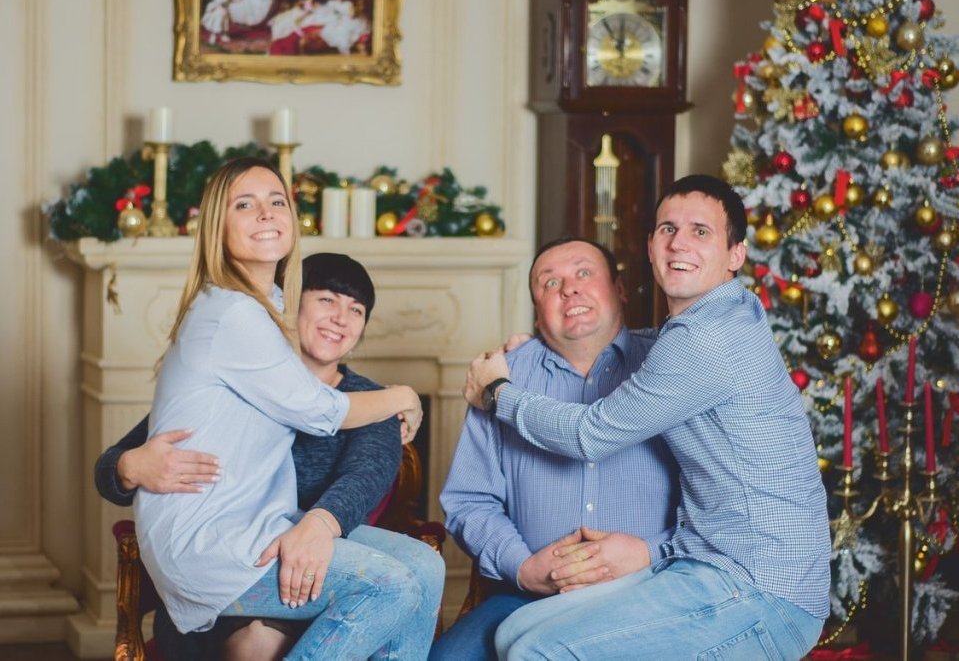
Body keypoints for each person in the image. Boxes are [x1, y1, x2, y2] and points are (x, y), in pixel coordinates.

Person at [464, 174, 831, 660]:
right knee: (512, 632)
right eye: (667, 229)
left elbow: (591, 433)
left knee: (538, 651)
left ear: (735, 254)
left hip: (761, 586)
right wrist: (542, 348)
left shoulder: (704, 338)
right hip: (703, 563)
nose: (679, 243)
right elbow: (666, 359)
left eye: (701, 231)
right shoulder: (723, 315)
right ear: (651, 246)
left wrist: (497, 393)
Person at [133, 156, 435, 660]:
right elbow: (320, 411)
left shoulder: (270, 306)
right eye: (244, 205)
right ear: (217, 225)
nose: (266, 214)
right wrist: (404, 397)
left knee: (425, 568)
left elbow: (362, 466)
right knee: (392, 586)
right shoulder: (233, 311)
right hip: (209, 540)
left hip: (258, 522)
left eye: (277, 202)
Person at [430, 238, 679, 660]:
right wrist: (523, 567)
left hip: (654, 587)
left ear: (619, 288)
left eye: (584, 273)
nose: (569, 289)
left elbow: (714, 498)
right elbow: (468, 501)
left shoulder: (670, 366)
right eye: (550, 282)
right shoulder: (500, 379)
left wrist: (651, 553)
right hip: (526, 596)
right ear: (536, 310)